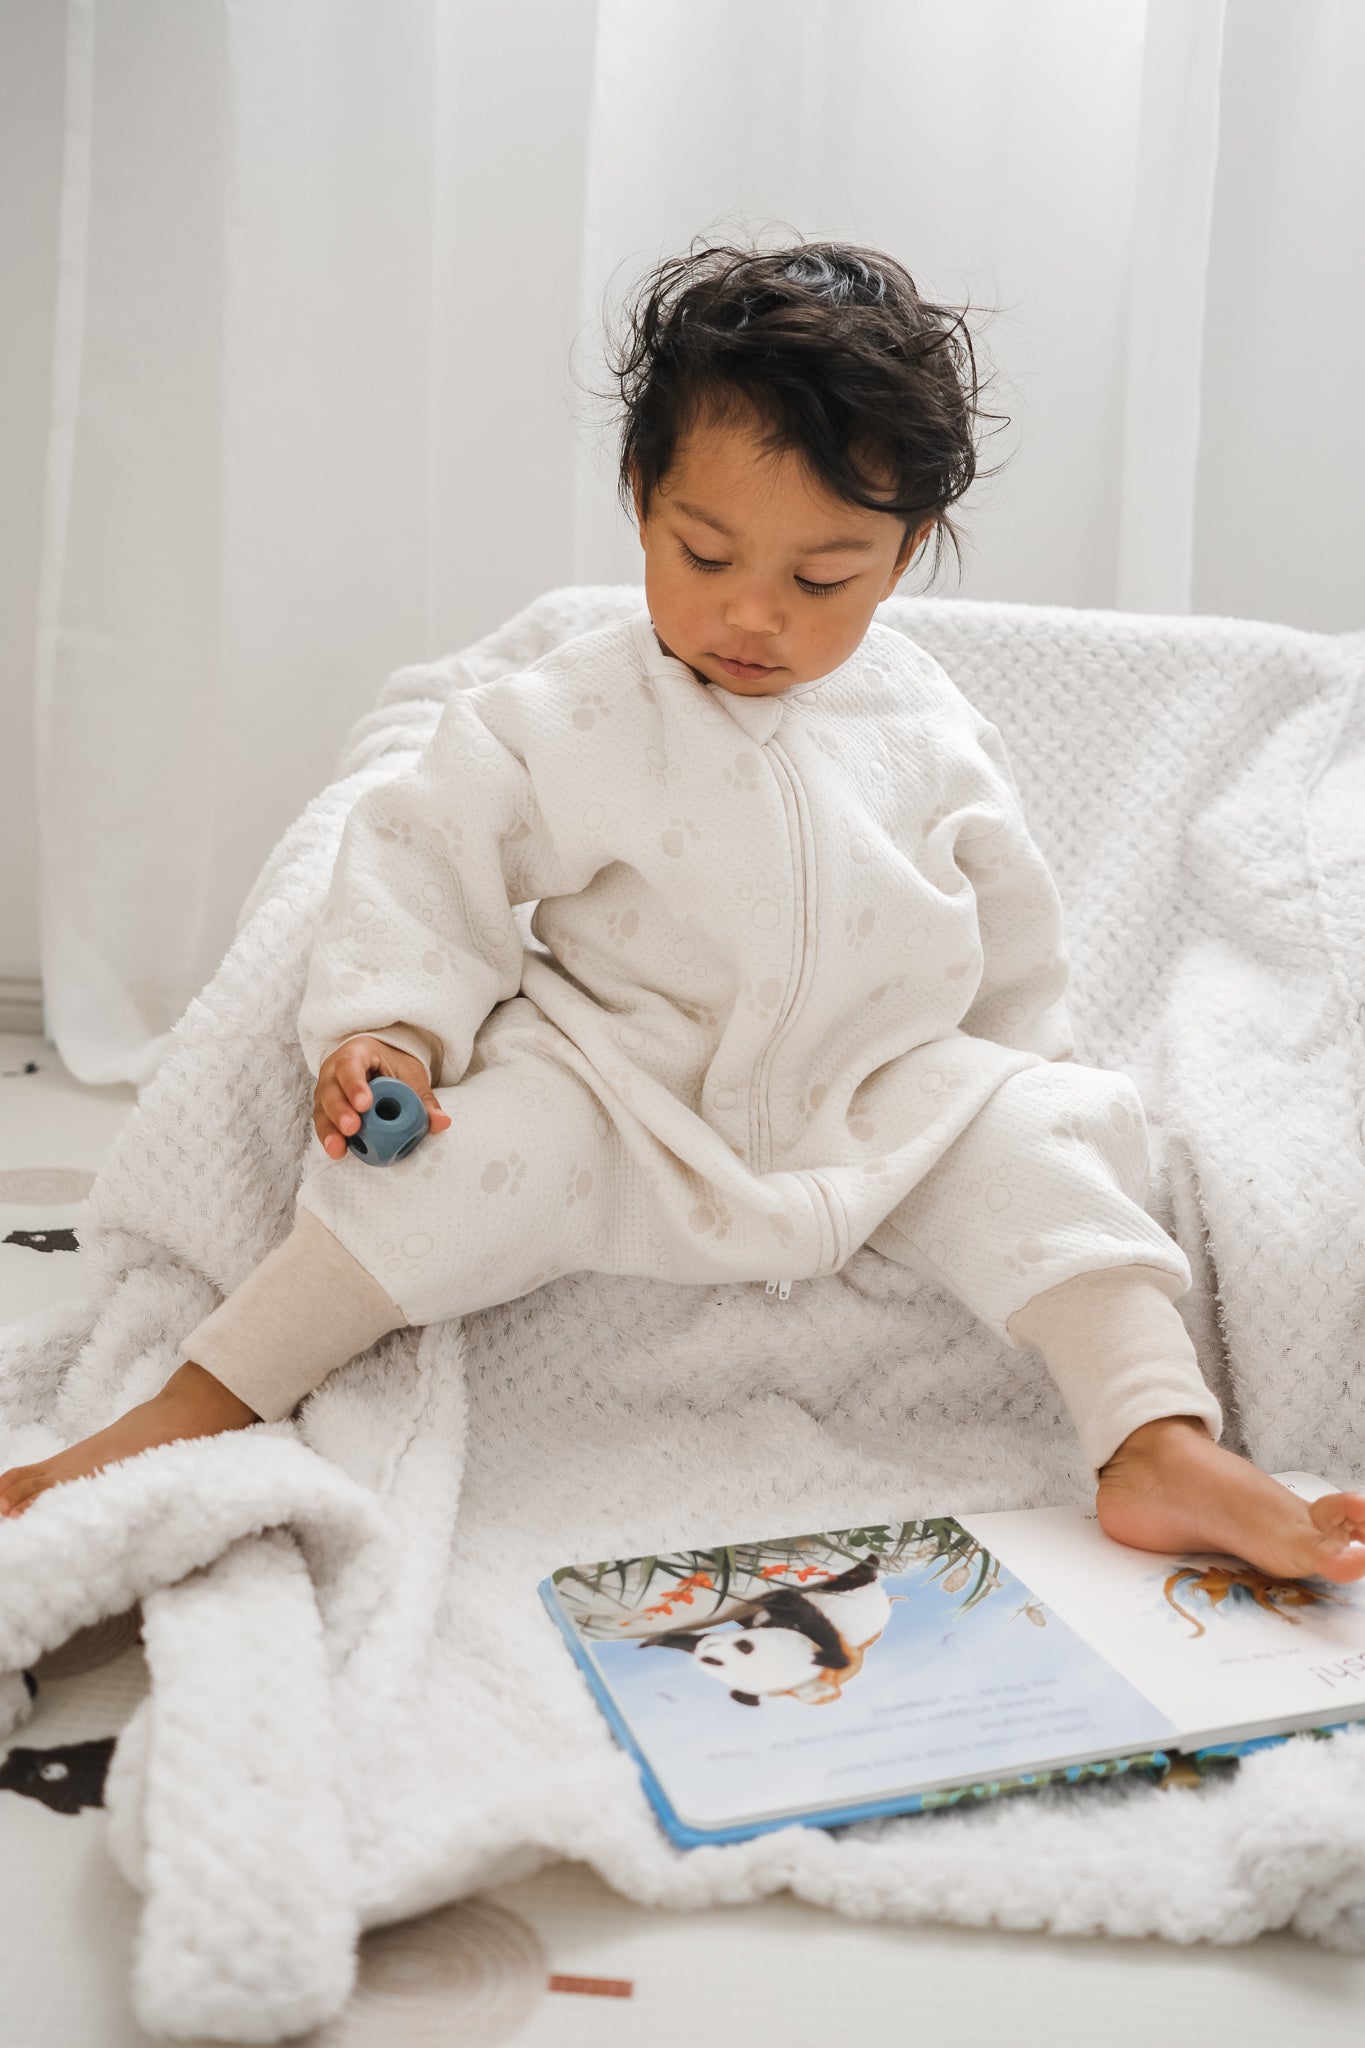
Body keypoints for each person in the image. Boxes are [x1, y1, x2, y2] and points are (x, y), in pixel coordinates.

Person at [3, 238, 1362, 1583]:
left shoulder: (930, 726)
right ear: (641, 496)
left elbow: (1010, 940)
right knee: (429, 1180)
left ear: (901, 557)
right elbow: (426, 865)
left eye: (821, 577)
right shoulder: (563, 712)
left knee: (1061, 1156)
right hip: (618, 1086)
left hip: (880, 1095)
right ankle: (193, 1402)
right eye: (703, 553)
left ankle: (1154, 1444)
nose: (752, 614)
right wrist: (391, 1038)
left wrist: (1035, 1085)